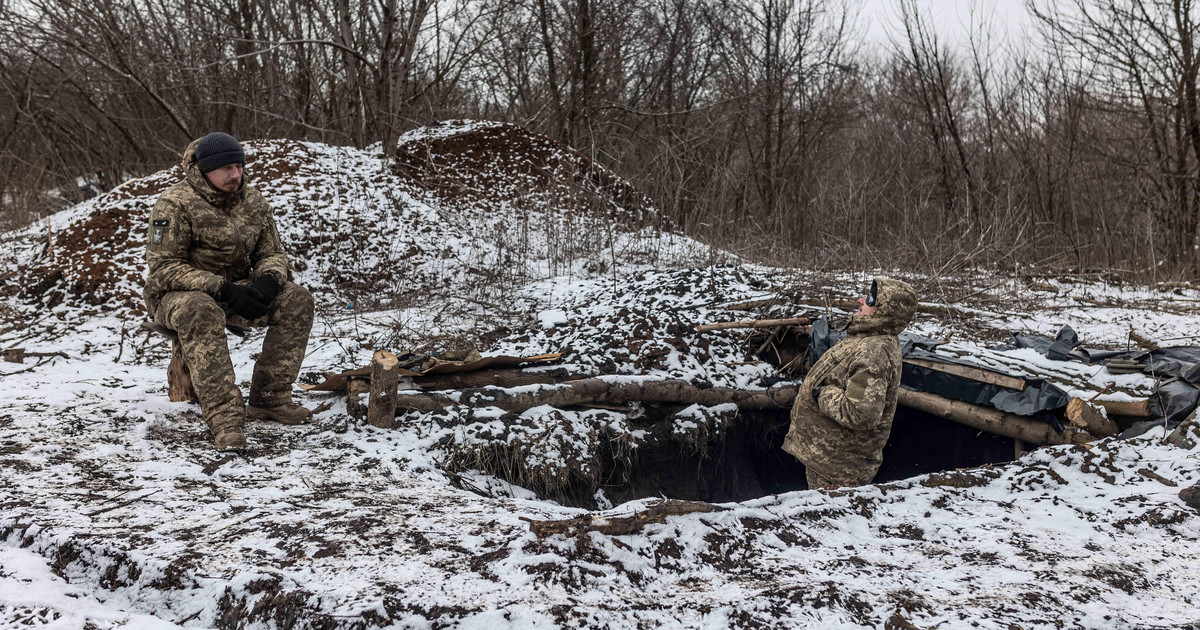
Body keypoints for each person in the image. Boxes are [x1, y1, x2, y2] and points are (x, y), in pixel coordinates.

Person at [143, 132, 314, 451]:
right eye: (226, 168)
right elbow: (163, 268)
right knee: (201, 309)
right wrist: (222, 288)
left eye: (239, 166)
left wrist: (267, 281)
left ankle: (270, 398)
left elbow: (272, 253)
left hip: (238, 288)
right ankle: (224, 419)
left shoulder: (254, 202)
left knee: (296, 299)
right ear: (205, 170)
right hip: (178, 296)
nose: (236, 174)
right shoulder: (174, 203)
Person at [782, 277, 918, 489]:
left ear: (886, 310)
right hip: (828, 460)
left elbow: (859, 413)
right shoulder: (867, 337)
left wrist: (822, 393)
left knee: (827, 521)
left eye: (871, 299)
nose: (861, 300)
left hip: (838, 471)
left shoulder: (873, 352)